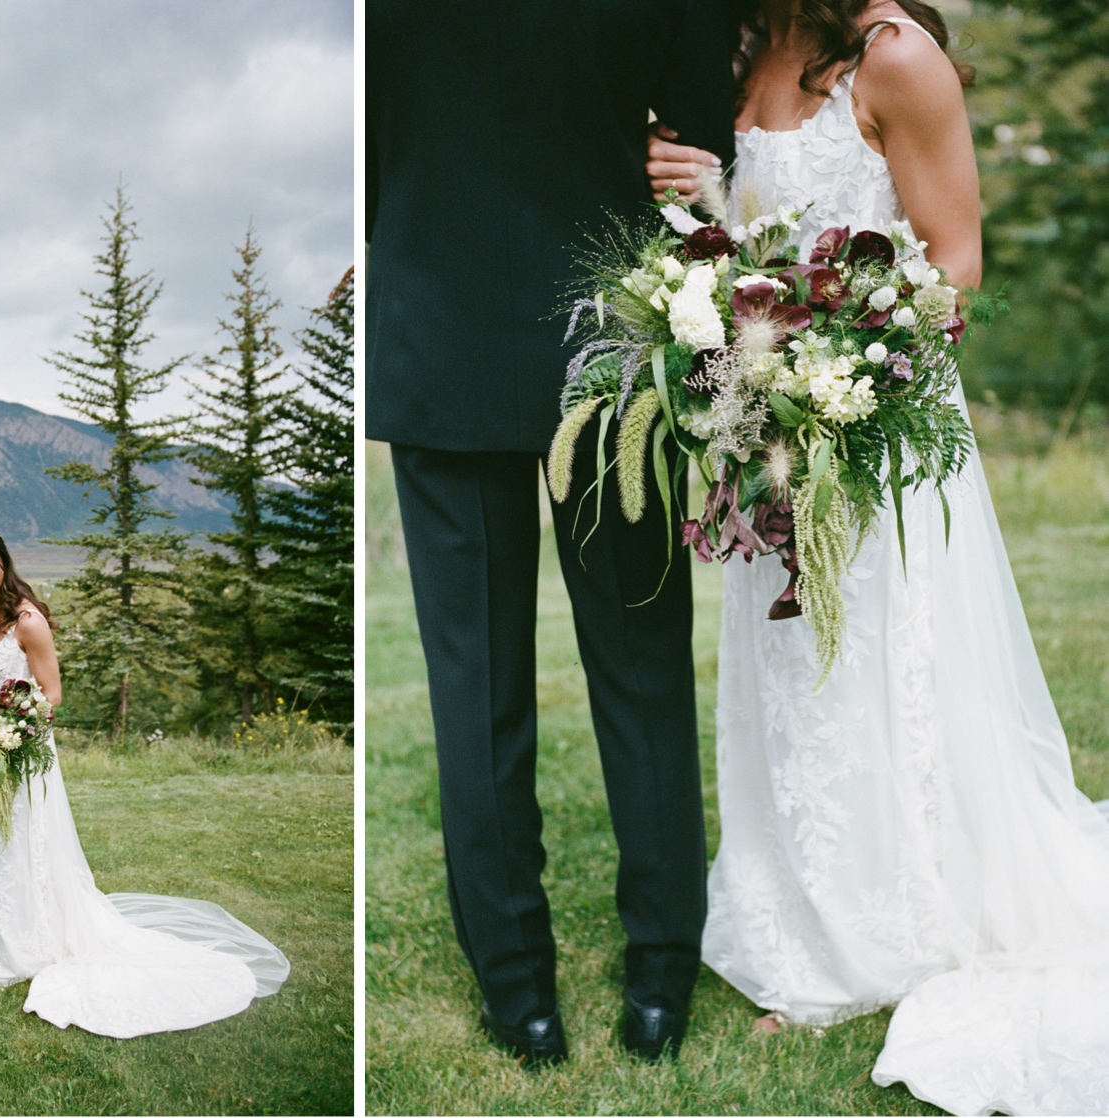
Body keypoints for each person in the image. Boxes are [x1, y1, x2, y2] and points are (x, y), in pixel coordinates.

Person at [646, 2, 1109, 1112]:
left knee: (876, 668)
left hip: (876, 429)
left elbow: (956, 264)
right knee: (792, 676)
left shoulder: (894, 58)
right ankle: (796, 917)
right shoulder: (740, 49)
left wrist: (833, 364)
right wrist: (687, 198)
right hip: (766, 435)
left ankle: (890, 929)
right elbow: (739, 233)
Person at [367, 0, 737, 1065]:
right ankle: (662, 970)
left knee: (475, 690)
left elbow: (365, 167)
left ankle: (517, 987)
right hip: (611, 332)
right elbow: (700, 157)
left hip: (439, 335)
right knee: (641, 671)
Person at [0, 529, 289, 1038]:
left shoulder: (28, 620)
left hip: (22, 749)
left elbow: (52, 695)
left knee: (24, 847)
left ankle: (29, 950)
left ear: (4, 562)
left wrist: (9, 728)